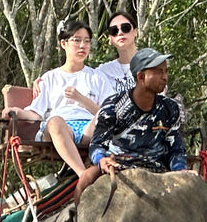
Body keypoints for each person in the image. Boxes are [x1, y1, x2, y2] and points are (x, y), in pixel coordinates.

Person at [76, 48, 187, 195]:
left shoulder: (170, 108)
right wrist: (102, 160)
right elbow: (97, 144)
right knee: (85, 180)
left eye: (165, 71)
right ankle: (78, 217)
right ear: (141, 76)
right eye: (159, 72)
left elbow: (176, 149)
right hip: (117, 164)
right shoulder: (112, 106)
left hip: (157, 167)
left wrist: (181, 170)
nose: (165, 77)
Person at [7, 19, 107, 177]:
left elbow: (107, 113)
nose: (82, 46)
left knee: (107, 116)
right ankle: (83, 175)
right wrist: (17, 112)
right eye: (77, 40)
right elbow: (36, 113)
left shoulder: (97, 77)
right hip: (60, 128)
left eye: (87, 41)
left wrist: (82, 99)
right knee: (55, 121)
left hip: (88, 129)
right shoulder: (50, 78)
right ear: (63, 43)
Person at [95, 10, 139, 99]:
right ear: (110, 39)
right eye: (114, 30)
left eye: (125, 28)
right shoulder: (102, 72)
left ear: (135, 32)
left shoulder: (150, 63)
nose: (120, 33)